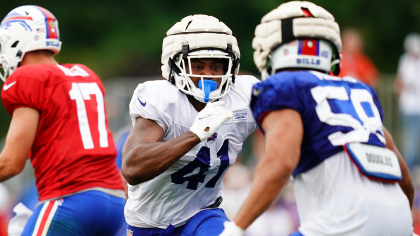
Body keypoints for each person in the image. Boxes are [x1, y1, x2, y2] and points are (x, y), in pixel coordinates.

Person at [220, 1, 415, 236]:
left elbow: (280, 162)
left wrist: (237, 227)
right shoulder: (358, 90)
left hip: (342, 223)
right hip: (401, 223)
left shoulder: (284, 86)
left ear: (270, 50)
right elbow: (404, 179)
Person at [122, 14, 258, 236]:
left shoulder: (244, 95)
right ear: (174, 65)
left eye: (216, 66)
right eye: (197, 65)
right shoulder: (162, 99)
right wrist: (195, 134)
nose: (208, 75)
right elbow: (132, 167)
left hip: (203, 213)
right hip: (149, 222)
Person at [0, 6, 126, 235]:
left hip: (69, 200)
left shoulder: (28, 77)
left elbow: (11, 163)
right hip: (115, 202)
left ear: (14, 40)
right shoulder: (86, 75)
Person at [395, 33, 420, 169]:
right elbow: (400, 82)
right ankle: (409, 165)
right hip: (408, 105)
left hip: (417, 105)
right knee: (410, 136)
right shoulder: (405, 60)